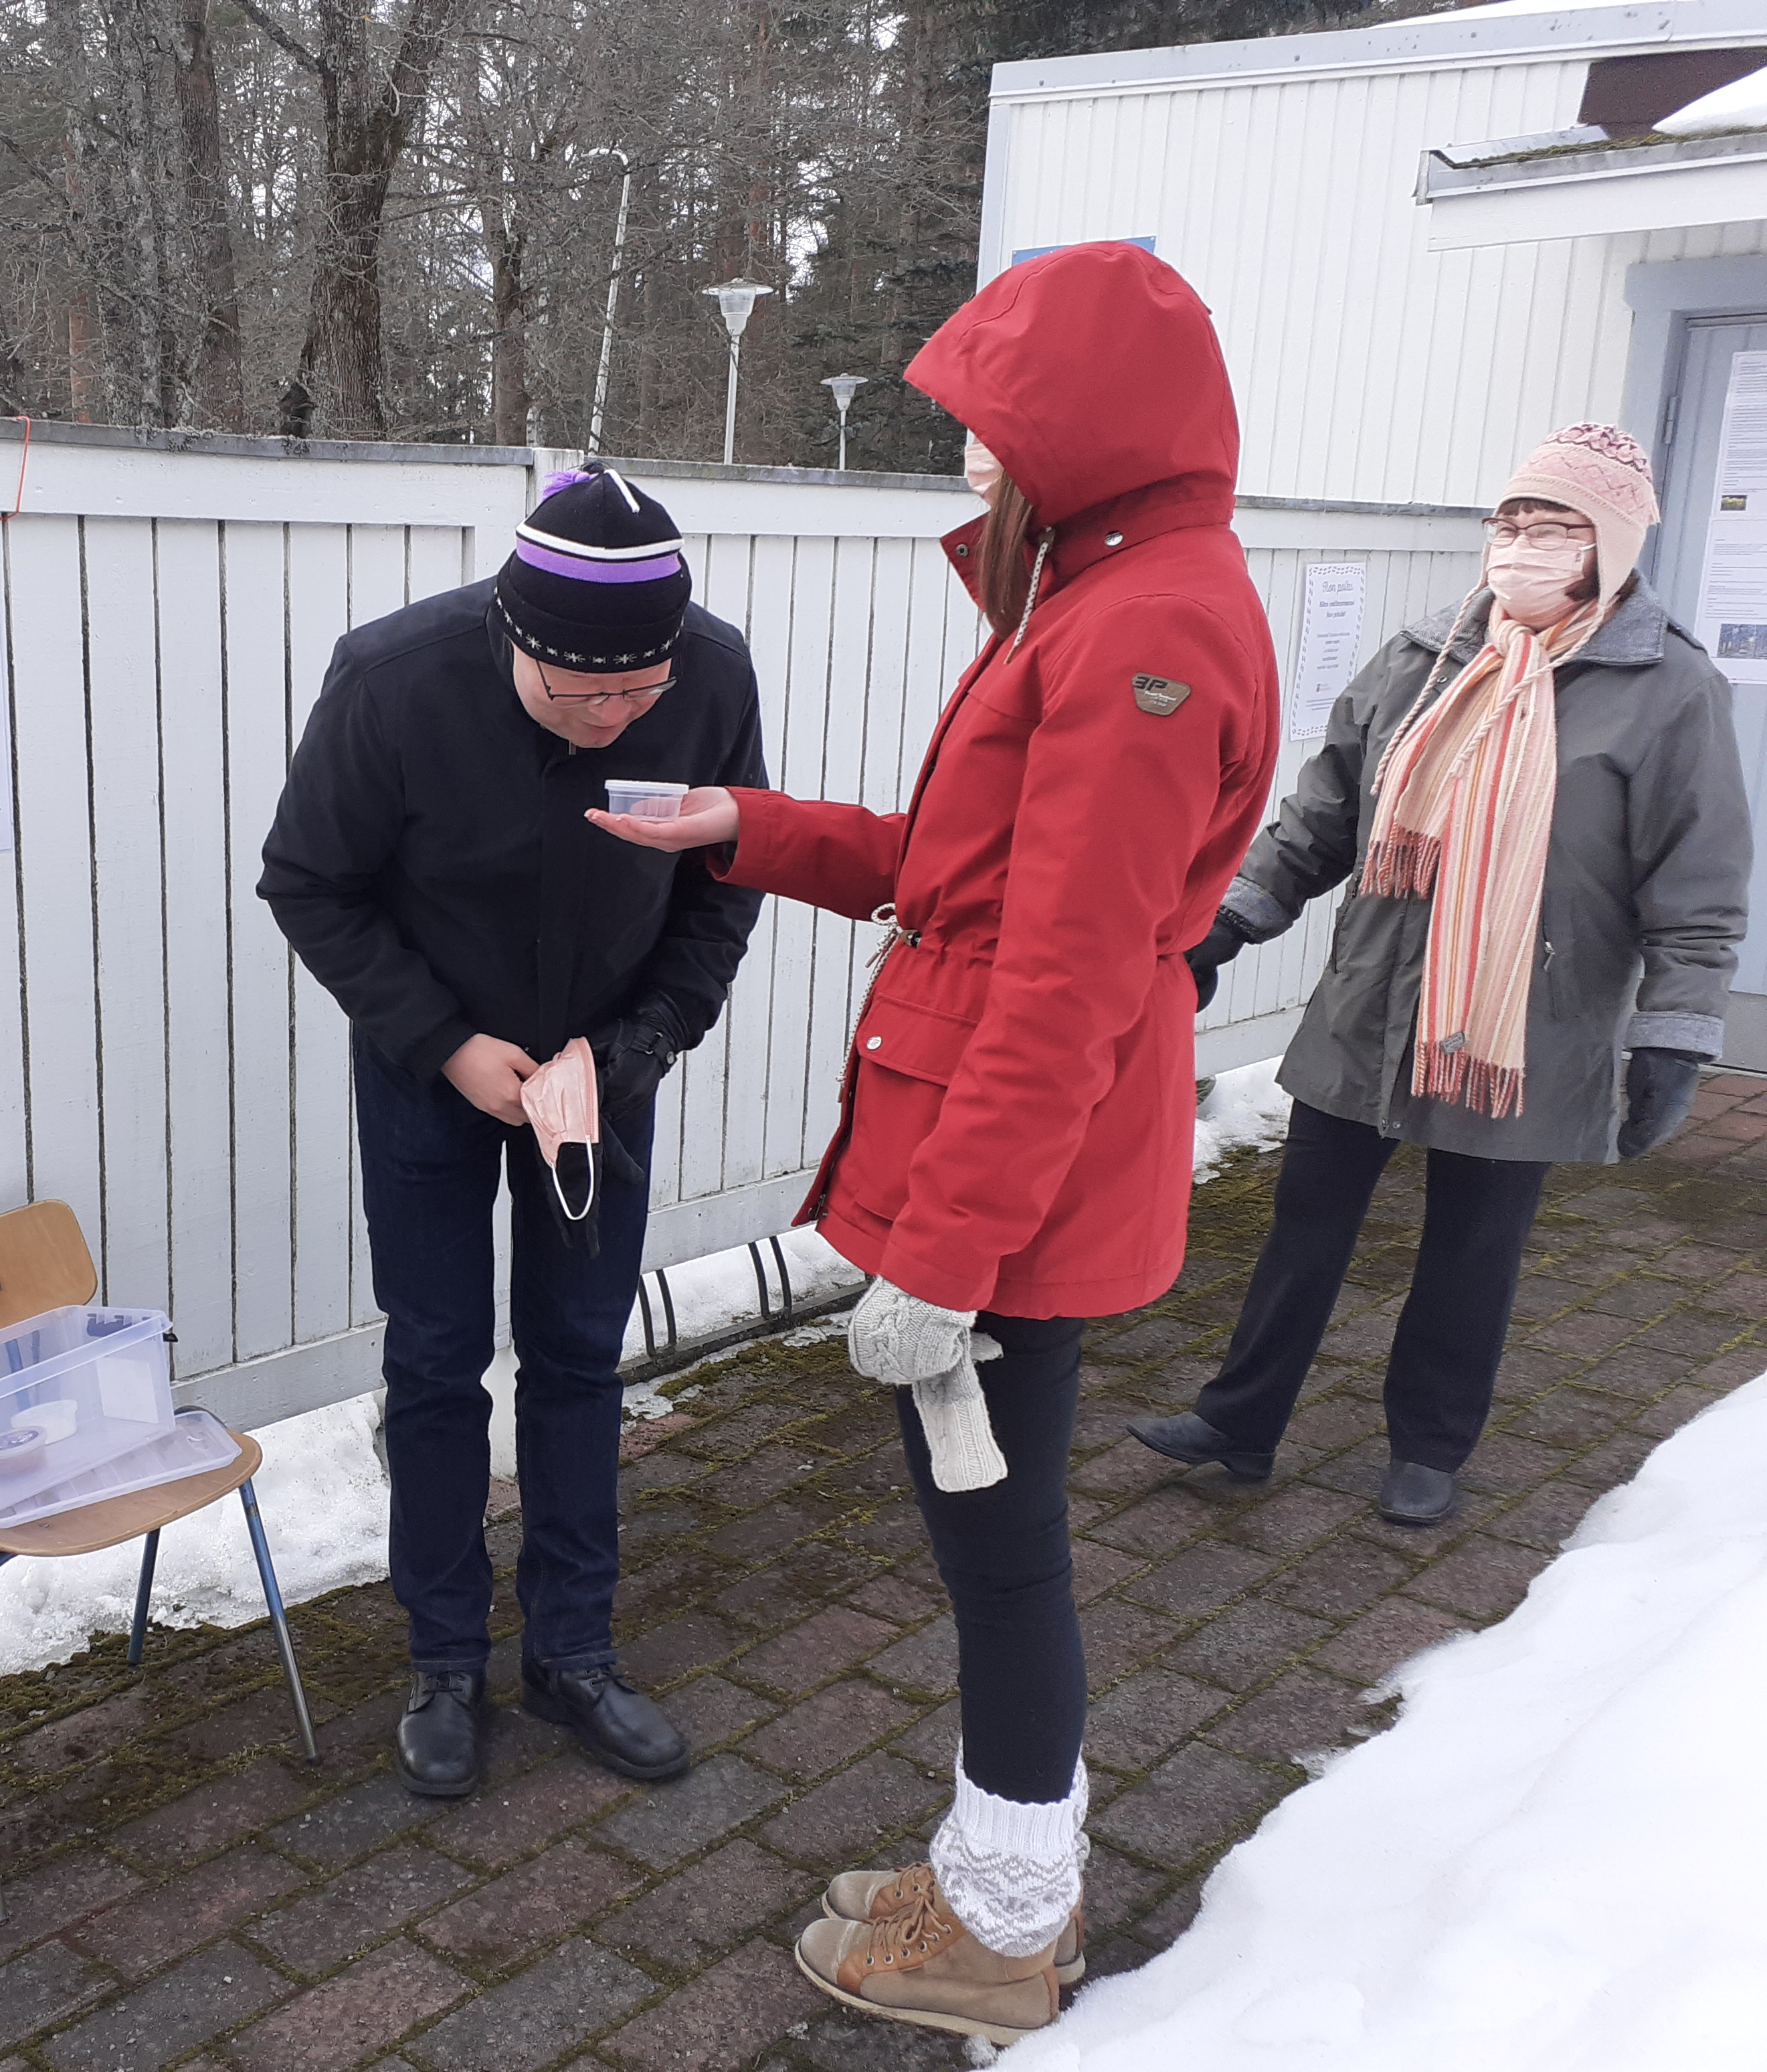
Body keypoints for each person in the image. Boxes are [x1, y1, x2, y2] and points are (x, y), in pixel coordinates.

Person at [597, 242, 1277, 2043]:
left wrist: (947, 1260)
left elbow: (1062, 978)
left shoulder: (1142, 628)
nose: (968, 456)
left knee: (1003, 1550)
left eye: (993, 423)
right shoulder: (1111, 589)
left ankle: (1003, 1916)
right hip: (998, 1169)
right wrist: (746, 822)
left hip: (1011, 1195)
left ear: (1091, 428)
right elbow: (956, 867)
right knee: (994, 1541)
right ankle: (996, 1860)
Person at [1132, 424, 1753, 1526]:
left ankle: (1429, 1445)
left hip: (1527, 1021)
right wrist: (1230, 923)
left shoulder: (1668, 692)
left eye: (1553, 527)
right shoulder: (1426, 655)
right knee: (1305, 1219)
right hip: (1376, 995)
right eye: (1509, 522)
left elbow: (1696, 885)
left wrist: (1675, 1033)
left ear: (1607, 545)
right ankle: (1240, 1421)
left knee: (1473, 1244)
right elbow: (1323, 814)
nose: (1520, 545)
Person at [257, 464, 766, 1799]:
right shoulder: (393, 682)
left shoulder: (709, 677)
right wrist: (446, 1045)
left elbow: (725, 886)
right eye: (579, 694)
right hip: (437, 1065)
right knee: (435, 1363)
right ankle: (442, 1661)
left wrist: (639, 1045)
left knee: (582, 1357)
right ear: (513, 636)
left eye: (635, 696)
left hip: (605, 1073)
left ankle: (574, 1653)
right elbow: (308, 882)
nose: (611, 718)